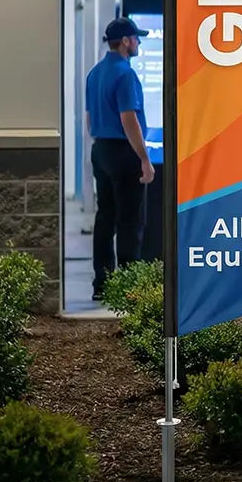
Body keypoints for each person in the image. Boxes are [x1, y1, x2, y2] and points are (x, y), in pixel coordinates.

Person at [85, 17, 155, 300]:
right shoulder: (126, 75)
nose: (138, 42)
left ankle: (102, 284)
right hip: (124, 152)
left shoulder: (95, 73)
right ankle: (128, 288)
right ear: (125, 41)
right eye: (135, 38)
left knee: (105, 217)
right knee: (129, 220)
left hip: (101, 150)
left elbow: (90, 120)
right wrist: (144, 158)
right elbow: (129, 119)